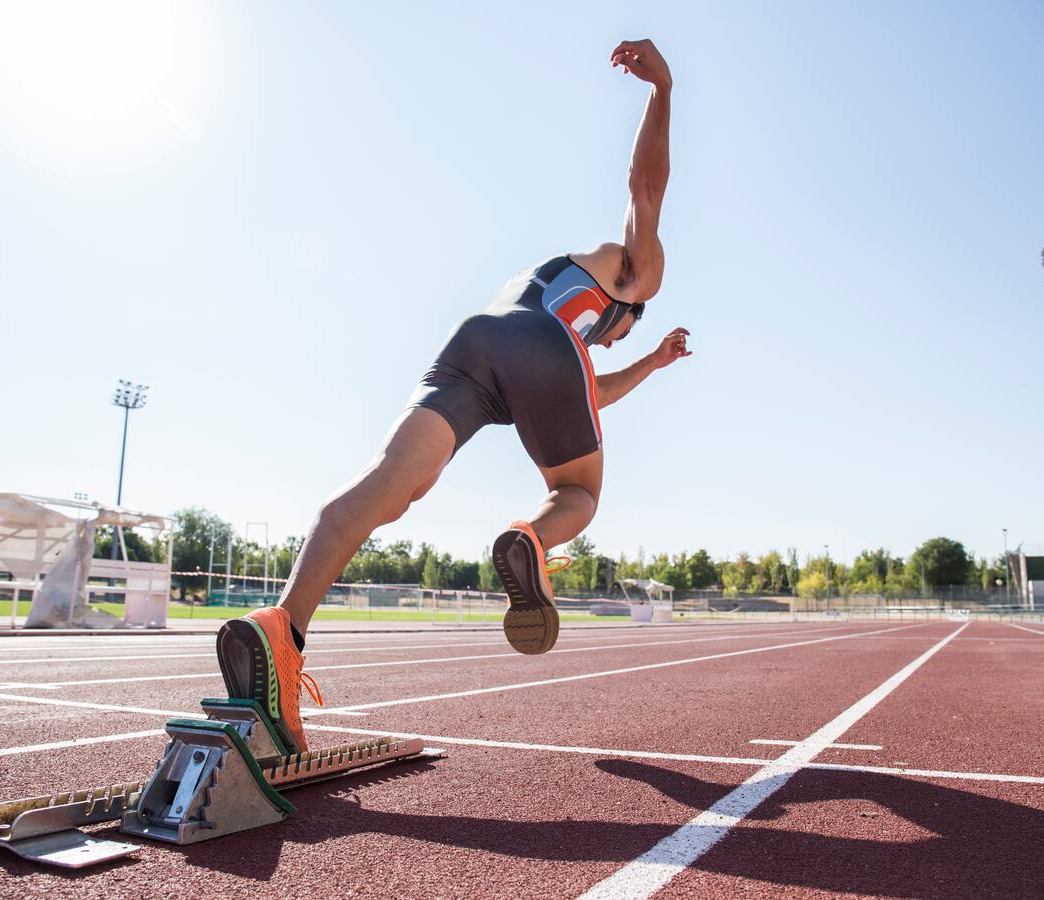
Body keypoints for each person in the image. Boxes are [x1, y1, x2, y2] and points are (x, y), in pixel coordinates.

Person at [216, 39, 691, 752]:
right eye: (622, 335)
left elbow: (589, 393)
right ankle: (529, 538)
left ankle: (283, 628)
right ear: (628, 303)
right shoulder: (634, 276)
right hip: (537, 353)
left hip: (476, 339)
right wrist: (663, 92)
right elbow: (644, 192)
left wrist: (650, 364)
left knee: (390, 484)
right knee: (580, 495)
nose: (613, 342)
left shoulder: (560, 292)